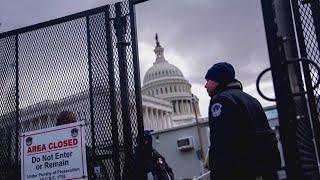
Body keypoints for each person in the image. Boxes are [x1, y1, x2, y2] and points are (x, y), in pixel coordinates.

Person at [204, 62, 281, 180]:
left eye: (208, 80)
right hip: (264, 169)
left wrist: (218, 173)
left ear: (217, 80)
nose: (205, 85)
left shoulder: (221, 101)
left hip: (239, 172)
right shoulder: (252, 99)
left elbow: (222, 142)